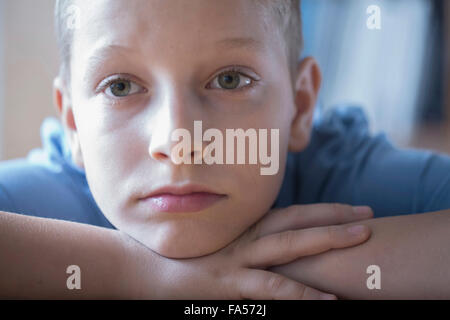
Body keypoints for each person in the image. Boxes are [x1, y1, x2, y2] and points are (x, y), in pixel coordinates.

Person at [0, 0, 449, 299]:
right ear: (74, 124)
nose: (178, 142)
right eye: (120, 86)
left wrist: (240, 273)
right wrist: (139, 271)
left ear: (299, 108)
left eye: (229, 80)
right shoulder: (49, 198)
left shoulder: (342, 176)